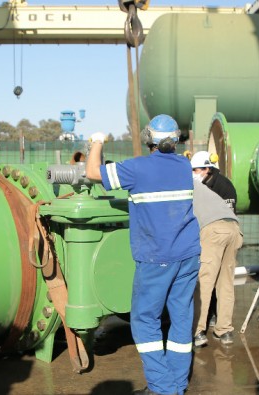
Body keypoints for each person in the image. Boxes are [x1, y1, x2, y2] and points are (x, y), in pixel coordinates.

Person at [85, 115, 200, 395]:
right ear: (175, 140)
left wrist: (97, 142)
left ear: (149, 139)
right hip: (188, 255)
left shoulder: (137, 169)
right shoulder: (185, 166)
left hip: (156, 257)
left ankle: (163, 388)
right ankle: (177, 383)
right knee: (181, 319)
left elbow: (92, 173)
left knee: (144, 322)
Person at [191, 176, 243, 347]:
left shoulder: (180, 186)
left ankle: (197, 331)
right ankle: (225, 330)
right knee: (226, 283)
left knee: (204, 282)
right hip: (234, 229)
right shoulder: (200, 186)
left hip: (213, 230)